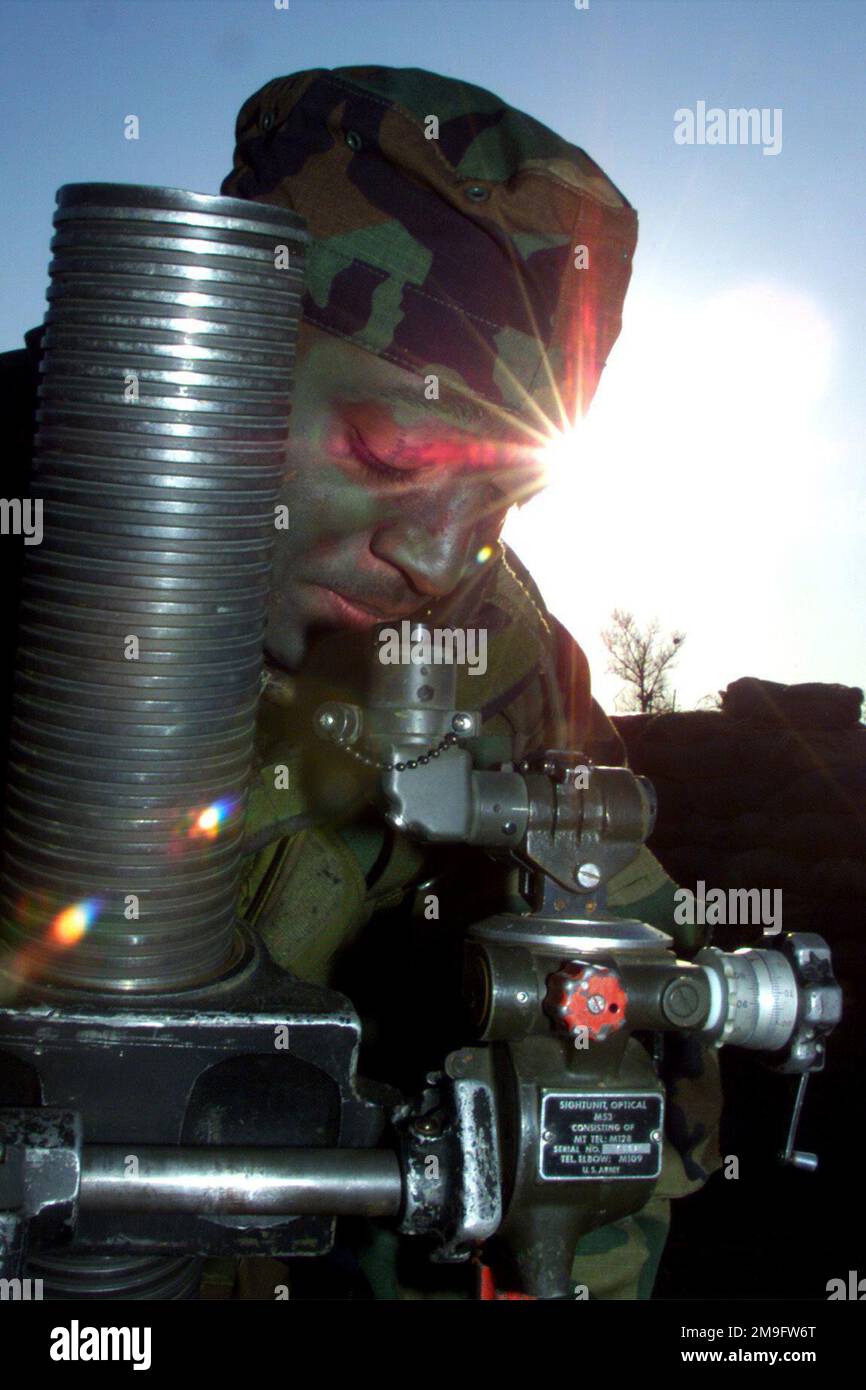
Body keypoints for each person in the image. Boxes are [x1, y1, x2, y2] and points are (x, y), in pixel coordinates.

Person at [0, 64, 721, 1300]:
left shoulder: (497, 654)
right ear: (221, 355)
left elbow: (633, 1049)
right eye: (390, 453)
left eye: (499, 497)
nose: (441, 557)